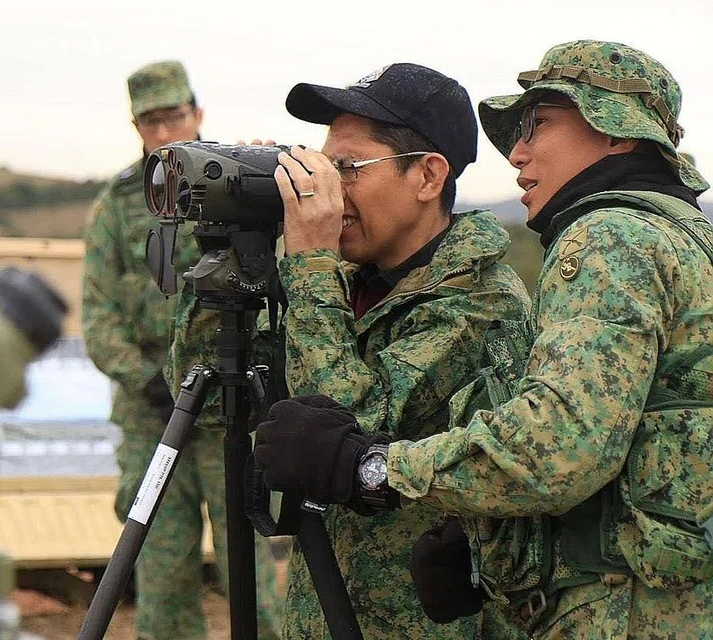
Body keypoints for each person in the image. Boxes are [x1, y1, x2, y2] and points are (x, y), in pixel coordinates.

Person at [253, 40, 713, 639]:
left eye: (537, 125)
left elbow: (561, 445)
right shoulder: (679, 235)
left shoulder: (609, 238)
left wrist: (373, 467)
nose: (517, 153)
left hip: (630, 613)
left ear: (617, 134)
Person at [167, 63, 532, 638]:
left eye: (347, 169)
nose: (327, 190)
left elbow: (340, 434)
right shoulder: (345, 283)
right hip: (323, 610)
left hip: (417, 624)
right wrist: (235, 240)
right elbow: (212, 399)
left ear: (428, 177)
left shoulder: (478, 301)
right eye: (321, 167)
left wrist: (309, 263)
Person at [81, 60, 281, 640]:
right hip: (151, 419)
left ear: (197, 114)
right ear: (136, 126)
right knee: (162, 580)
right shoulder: (117, 207)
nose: (164, 134)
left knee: (251, 578)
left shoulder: (235, 189)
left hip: (229, 415)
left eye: (173, 118)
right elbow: (98, 316)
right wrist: (148, 379)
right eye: (150, 123)